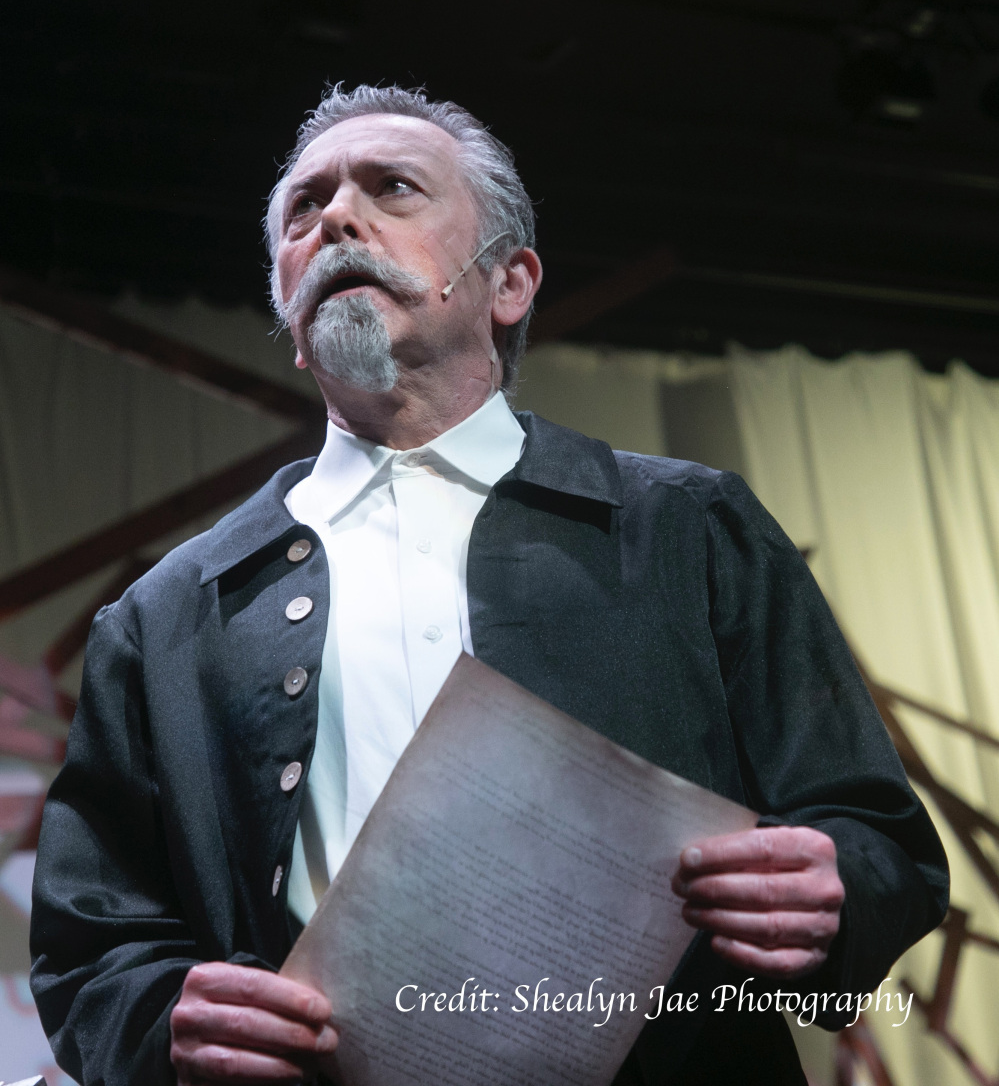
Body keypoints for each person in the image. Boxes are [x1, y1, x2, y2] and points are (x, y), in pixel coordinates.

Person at [30, 85, 948, 1086]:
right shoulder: (168, 614)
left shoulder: (690, 528)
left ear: (508, 282)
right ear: (292, 319)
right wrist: (165, 1022)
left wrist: (830, 890)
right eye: (305, 207)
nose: (336, 217)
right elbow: (94, 942)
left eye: (391, 187)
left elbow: (875, 835)